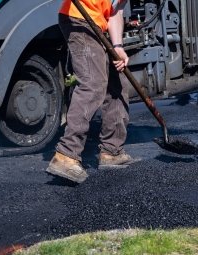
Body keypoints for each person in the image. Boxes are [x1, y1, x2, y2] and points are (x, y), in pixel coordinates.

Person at [45, 0, 139, 183]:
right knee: (93, 84)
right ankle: (67, 155)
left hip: (97, 25)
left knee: (117, 84)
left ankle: (111, 151)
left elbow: (115, 11)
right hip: (78, 19)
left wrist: (118, 47)